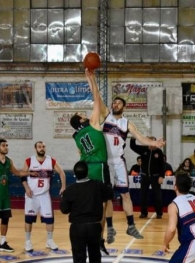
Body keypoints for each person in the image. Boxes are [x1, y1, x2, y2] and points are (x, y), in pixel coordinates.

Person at [98, 96, 165, 241]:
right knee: (108, 198)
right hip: (105, 162)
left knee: (126, 195)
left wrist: (155, 143)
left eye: (119, 103)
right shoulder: (105, 116)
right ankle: (110, 228)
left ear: (124, 107)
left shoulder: (127, 123)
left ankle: (131, 226)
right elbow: (97, 98)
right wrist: (91, 79)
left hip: (118, 161)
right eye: (114, 102)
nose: (115, 104)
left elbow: (141, 139)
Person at [70, 69, 113, 252]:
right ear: (81, 120)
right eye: (81, 114)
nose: (84, 113)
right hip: (99, 167)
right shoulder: (93, 124)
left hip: (86, 169)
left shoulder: (76, 136)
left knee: (89, 204)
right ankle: (98, 238)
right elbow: (97, 99)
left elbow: (80, 152)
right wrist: (91, 78)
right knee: (103, 204)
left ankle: (90, 237)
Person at [0, 139, 36, 256]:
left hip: (5, 196)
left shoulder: (9, 161)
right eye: (3, 145)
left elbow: (17, 173)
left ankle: (2, 242)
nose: (6, 147)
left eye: (7, 145)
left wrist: (30, 173)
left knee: (5, 219)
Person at [60, 161, 110, 263]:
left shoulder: (70, 190)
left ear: (74, 174)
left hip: (77, 227)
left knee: (79, 257)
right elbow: (109, 194)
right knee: (95, 256)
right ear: (88, 172)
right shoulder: (97, 185)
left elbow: (64, 210)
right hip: (94, 226)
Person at [21, 141, 66, 252]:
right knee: (29, 219)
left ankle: (49, 241)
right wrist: (26, 188)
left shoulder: (51, 160)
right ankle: (27, 242)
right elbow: (22, 175)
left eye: (43, 147)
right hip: (31, 195)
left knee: (50, 219)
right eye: (39, 147)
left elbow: (62, 173)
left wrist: (63, 186)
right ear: (35, 148)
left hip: (45, 195)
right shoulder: (29, 160)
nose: (42, 148)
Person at [130, 137, 165, 219]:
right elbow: (133, 146)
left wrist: (161, 176)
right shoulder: (143, 149)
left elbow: (162, 165)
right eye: (150, 142)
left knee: (157, 195)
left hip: (155, 176)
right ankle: (143, 213)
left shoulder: (159, 152)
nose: (152, 145)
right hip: (145, 176)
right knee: (143, 195)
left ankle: (159, 213)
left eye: (153, 142)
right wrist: (132, 139)